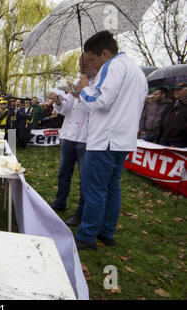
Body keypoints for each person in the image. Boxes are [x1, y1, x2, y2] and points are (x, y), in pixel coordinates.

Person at [74, 31, 148, 250]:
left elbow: (101, 101)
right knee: (112, 187)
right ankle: (106, 231)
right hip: (123, 140)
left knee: (94, 189)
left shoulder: (113, 66)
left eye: (93, 60)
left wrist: (84, 88)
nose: (91, 65)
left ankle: (87, 236)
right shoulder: (137, 71)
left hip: (105, 139)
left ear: (105, 53)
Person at [49, 54, 98, 227]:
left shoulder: (98, 84)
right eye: (79, 65)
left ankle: (81, 212)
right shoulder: (77, 82)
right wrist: (59, 101)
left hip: (86, 137)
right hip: (68, 135)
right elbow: (65, 109)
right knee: (64, 172)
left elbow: (96, 107)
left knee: (85, 177)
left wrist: (81, 94)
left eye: (83, 65)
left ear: (93, 63)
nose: (80, 69)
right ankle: (60, 202)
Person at [159, 83, 187, 148]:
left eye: (178, 90)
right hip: (165, 138)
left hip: (179, 141)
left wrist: (180, 131)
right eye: (174, 90)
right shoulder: (171, 103)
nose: (175, 92)